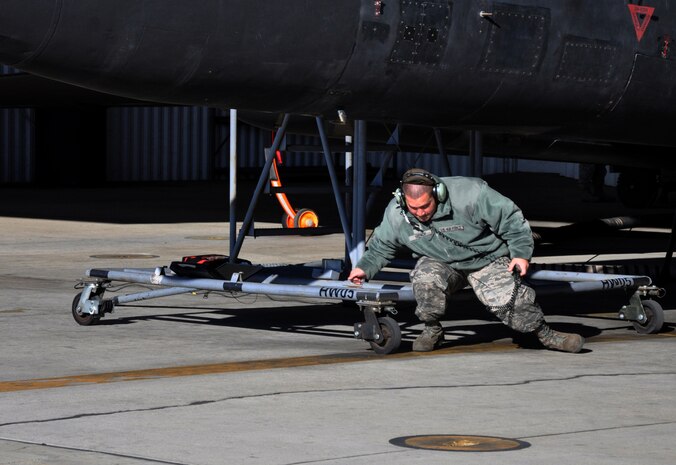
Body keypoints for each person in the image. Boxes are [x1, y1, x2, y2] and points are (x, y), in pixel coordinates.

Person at [348, 168, 584, 353]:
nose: (420, 213)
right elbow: (382, 245)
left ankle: (545, 334)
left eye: (425, 206)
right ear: (403, 200)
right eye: (414, 208)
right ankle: (432, 330)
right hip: (442, 262)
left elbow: (511, 219)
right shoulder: (397, 214)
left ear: (438, 193)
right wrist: (363, 268)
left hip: (487, 259)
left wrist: (521, 254)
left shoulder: (471, 194)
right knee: (424, 279)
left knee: (510, 299)